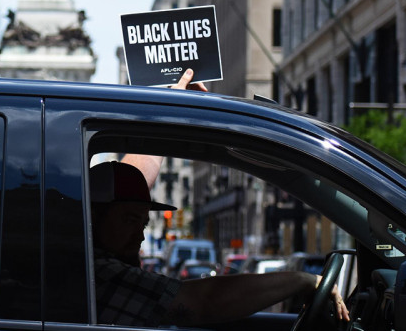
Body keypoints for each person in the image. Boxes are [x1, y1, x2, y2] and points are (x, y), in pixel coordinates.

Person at [88, 69, 350, 328]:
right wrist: (303, 280)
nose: (140, 235)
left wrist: (172, 105)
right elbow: (204, 302)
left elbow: (137, 177)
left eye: (143, 224)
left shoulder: (93, 258)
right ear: (92, 216)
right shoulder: (100, 272)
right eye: (130, 220)